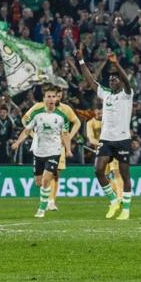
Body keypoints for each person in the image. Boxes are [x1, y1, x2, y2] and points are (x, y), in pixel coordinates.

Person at [75, 50, 134, 220]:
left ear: (120, 82)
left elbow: (127, 81)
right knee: (98, 170)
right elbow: (90, 80)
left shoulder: (127, 94)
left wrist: (115, 64)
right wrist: (81, 61)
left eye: (115, 79)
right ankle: (114, 201)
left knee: (124, 174)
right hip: (107, 139)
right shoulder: (105, 94)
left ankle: (126, 209)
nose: (112, 80)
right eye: (110, 79)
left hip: (122, 139)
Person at [10, 85, 73, 218]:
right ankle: (46, 200)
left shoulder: (62, 116)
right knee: (39, 182)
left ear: (57, 99)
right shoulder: (36, 114)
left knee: (46, 180)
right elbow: (26, 130)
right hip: (38, 152)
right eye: (48, 96)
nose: (51, 99)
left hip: (54, 151)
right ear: (44, 99)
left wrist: (68, 149)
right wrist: (17, 142)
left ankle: (42, 208)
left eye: (53, 96)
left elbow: (65, 134)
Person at [46, 78, 82, 212]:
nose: (58, 97)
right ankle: (45, 197)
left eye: (60, 95)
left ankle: (51, 201)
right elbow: (29, 121)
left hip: (58, 146)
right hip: (44, 144)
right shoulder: (42, 107)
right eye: (56, 95)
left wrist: (69, 138)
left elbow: (77, 122)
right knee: (43, 174)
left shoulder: (66, 109)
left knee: (55, 173)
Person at [84, 105, 124, 200]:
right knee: (104, 175)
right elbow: (91, 139)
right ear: (94, 111)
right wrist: (102, 145)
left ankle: (120, 196)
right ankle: (115, 194)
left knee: (116, 172)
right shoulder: (90, 123)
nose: (100, 113)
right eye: (98, 112)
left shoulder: (109, 121)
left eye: (102, 111)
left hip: (113, 149)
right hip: (102, 152)